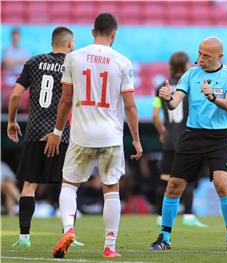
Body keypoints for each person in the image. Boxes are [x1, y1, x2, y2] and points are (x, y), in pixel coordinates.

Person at [43, 13, 143, 259]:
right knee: (111, 189)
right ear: (114, 34)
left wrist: (57, 132)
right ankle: (109, 247)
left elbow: (65, 100)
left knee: (69, 185)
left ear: (92, 32)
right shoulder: (122, 61)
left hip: (81, 134)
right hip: (110, 135)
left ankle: (68, 229)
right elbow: (130, 106)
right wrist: (137, 140)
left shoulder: (74, 58)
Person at [150, 36, 227, 251]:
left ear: (219, 56)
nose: (200, 59)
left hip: (219, 138)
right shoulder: (191, 74)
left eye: (206, 56)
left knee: (222, 183)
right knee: (173, 186)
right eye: (199, 53)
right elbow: (174, 104)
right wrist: (166, 97)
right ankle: (164, 237)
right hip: (192, 136)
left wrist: (211, 98)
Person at [7, 27, 75, 248]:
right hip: (61, 132)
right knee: (68, 185)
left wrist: (11, 121)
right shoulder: (72, 64)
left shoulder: (33, 62)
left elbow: (16, 94)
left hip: (35, 131)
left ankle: (24, 237)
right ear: (70, 43)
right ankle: (69, 235)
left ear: (52, 41)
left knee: (29, 185)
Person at [152, 51, 207, 228]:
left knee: (164, 178)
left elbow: (155, 115)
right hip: (186, 137)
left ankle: (161, 216)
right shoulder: (189, 84)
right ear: (185, 66)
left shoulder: (162, 86)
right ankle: (189, 215)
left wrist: (162, 132)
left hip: (169, 138)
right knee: (187, 177)